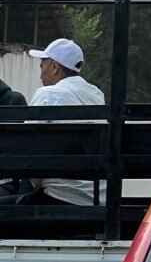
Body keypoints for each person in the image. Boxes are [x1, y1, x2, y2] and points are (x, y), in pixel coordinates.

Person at [16, 39, 106, 207]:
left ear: (55, 67)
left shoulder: (48, 95)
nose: (40, 76)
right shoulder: (96, 96)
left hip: (62, 197)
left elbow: (28, 151)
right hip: (98, 199)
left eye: (42, 67)